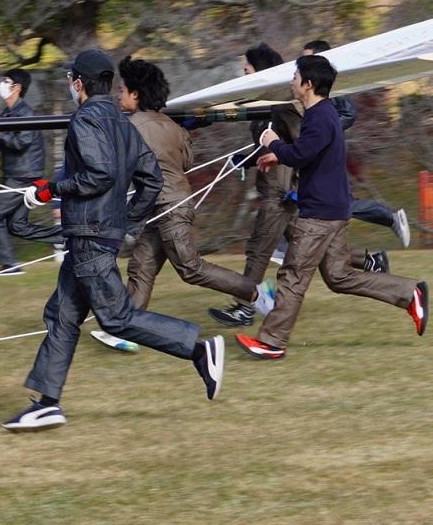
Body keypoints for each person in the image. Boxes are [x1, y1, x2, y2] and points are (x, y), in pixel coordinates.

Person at [2, 49, 225, 432]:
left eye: (70, 80)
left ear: (78, 83)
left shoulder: (85, 120)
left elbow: (98, 175)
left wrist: (50, 190)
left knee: (116, 318)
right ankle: (47, 403)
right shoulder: (123, 123)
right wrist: (127, 220)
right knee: (62, 315)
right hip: (95, 234)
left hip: (89, 235)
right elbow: (151, 179)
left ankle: (199, 349)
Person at [236, 54, 427, 359]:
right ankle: (409, 293)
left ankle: (271, 342)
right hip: (331, 209)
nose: (291, 82)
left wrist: (272, 142)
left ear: (308, 84)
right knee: (339, 276)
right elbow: (308, 153)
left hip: (320, 213)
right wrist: (279, 155)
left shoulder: (320, 116)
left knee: (293, 275)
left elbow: (301, 154)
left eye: (295, 77)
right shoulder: (321, 115)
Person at [96, 57, 276, 350]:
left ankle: (256, 293)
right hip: (161, 206)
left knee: (190, 269)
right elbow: (187, 161)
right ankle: (125, 329)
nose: (118, 96)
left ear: (136, 94)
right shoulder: (173, 127)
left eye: (122, 90)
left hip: (169, 207)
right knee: (141, 266)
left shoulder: (128, 127)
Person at [208, 45, 301, 326]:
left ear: (259, 69)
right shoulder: (263, 102)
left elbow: (304, 146)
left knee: (259, 249)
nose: (243, 71)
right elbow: (267, 145)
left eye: (246, 67)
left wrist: (299, 186)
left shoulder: (282, 103)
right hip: (274, 188)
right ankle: (372, 264)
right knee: (328, 259)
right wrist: (244, 158)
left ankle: (244, 308)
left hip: (282, 192)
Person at [300, 40, 412, 263]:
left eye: (308, 57)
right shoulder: (312, 85)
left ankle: (387, 218)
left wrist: (324, 133)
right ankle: (372, 261)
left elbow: (349, 113)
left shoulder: (329, 84)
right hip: (321, 152)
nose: (303, 63)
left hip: (327, 154)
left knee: (338, 203)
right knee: (329, 204)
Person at [0, 68, 57, 272]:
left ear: (17, 88)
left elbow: (21, 142)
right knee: (18, 225)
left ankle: (8, 265)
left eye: (6, 81)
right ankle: (68, 237)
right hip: (17, 174)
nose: (2, 84)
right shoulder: (8, 113)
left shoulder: (26, 113)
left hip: (22, 176)